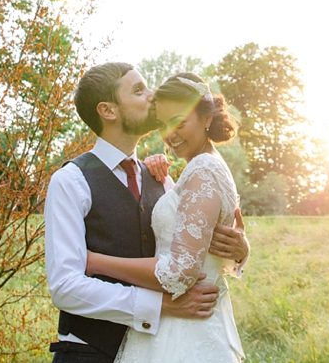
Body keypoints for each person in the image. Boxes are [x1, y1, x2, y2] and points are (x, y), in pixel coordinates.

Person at [45, 63, 248, 363]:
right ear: (108, 110)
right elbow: (65, 287)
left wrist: (241, 249)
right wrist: (158, 305)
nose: (152, 96)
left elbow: (193, 241)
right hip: (88, 352)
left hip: (163, 347)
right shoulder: (70, 181)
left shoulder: (163, 178)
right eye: (139, 90)